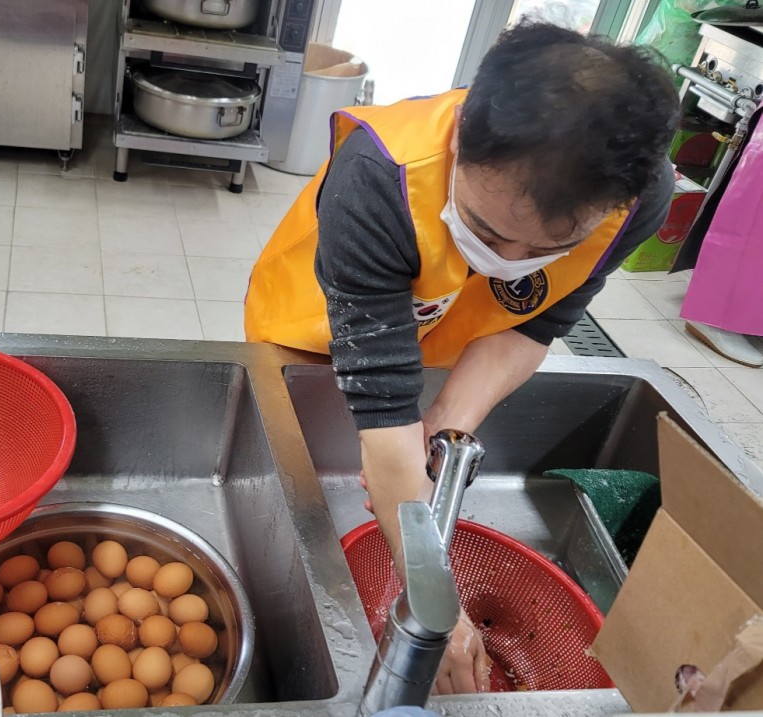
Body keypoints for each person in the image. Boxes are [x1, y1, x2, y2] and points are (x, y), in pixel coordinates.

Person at [246, 20, 680, 695]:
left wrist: (447, 419)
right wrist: (437, 614)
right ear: (460, 136)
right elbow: (383, 410)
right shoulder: (378, 176)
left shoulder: (637, 197)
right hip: (318, 332)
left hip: (448, 332)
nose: (508, 263)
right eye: (485, 230)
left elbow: (534, 326)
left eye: (544, 249)